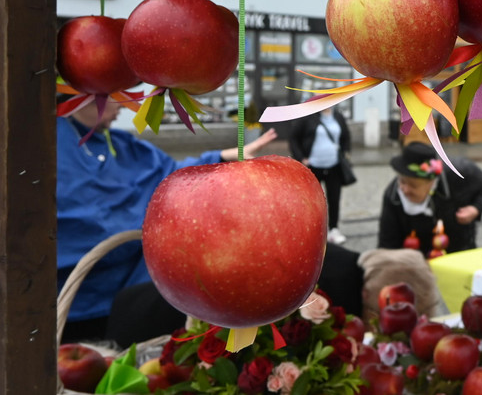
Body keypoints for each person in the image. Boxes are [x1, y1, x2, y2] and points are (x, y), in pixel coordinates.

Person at [56, 96, 278, 343]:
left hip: (127, 299)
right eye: (113, 95)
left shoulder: (117, 142)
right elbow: (90, 223)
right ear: (80, 99)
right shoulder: (54, 146)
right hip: (78, 303)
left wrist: (221, 158)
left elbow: (167, 173)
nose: (122, 104)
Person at [378, 142, 482, 256]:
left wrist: (476, 208)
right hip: (415, 262)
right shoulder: (392, 196)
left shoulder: (458, 172)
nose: (404, 189)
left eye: (413, 185)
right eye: (401, 181)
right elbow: (387, 245)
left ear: (431, 182)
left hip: (459, 252)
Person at [289, 107, 352, 245]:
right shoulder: (308, 117)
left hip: (334, 165)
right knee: (312, 201)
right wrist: (301, 158)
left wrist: (346, 152)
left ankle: (334, 229)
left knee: (334, 198)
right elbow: (294, 138)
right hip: (313, 166)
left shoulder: (338, 116)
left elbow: (346, 136)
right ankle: (313, 232)